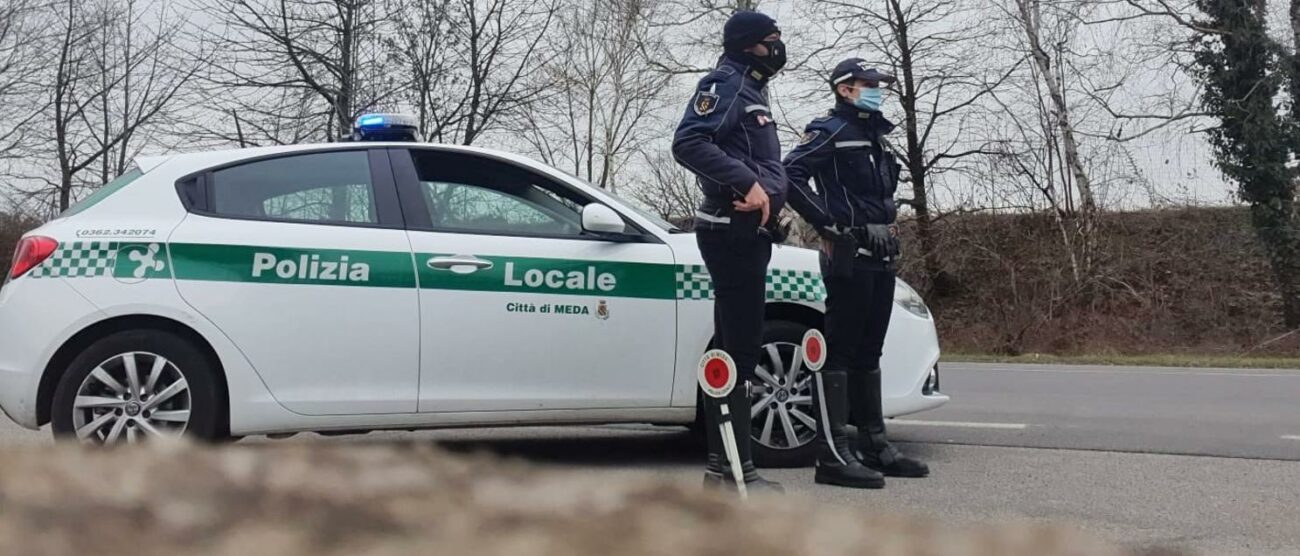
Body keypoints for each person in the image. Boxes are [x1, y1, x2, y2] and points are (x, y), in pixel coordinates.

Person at [783, 58, 930, 488]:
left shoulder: (877, 135)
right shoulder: (829, 130)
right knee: (841, 352)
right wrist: (830, 225)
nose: (876, 90)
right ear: (844, 89)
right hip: (847, 255)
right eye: (868, 84)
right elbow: (791, 175)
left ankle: (875, 446)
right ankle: (832, 456)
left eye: (878, 84)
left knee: (870, 352)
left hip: (880, 254)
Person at [671, 10, 789, 493]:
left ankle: (727, 468)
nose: (779, 47)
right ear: (748, 45)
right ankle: (729, 470)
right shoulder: (725, 83)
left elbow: (765, 164)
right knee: (737, 346)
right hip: (728, 230)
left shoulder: (753, 90)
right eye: (771, 40)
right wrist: (747, 184)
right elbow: (688, 142)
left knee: (738, 341)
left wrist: (771, 201)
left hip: (750, 232)